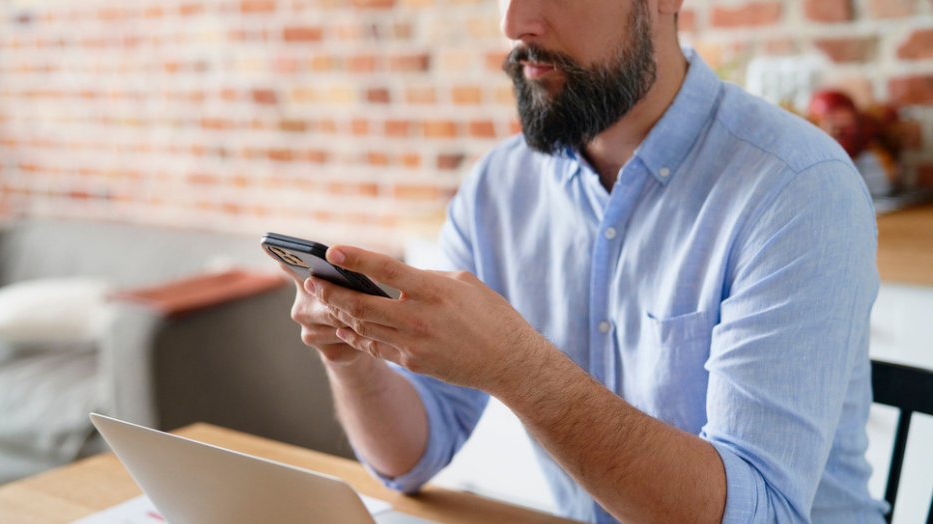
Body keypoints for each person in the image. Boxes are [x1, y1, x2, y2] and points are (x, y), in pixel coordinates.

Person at [284, 0, 889, 522]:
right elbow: (414, 456)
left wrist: (515, 366)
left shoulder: (797, 188)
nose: (514, 23)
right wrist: (351, 351)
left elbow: (763, 515)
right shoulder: (499, 188)